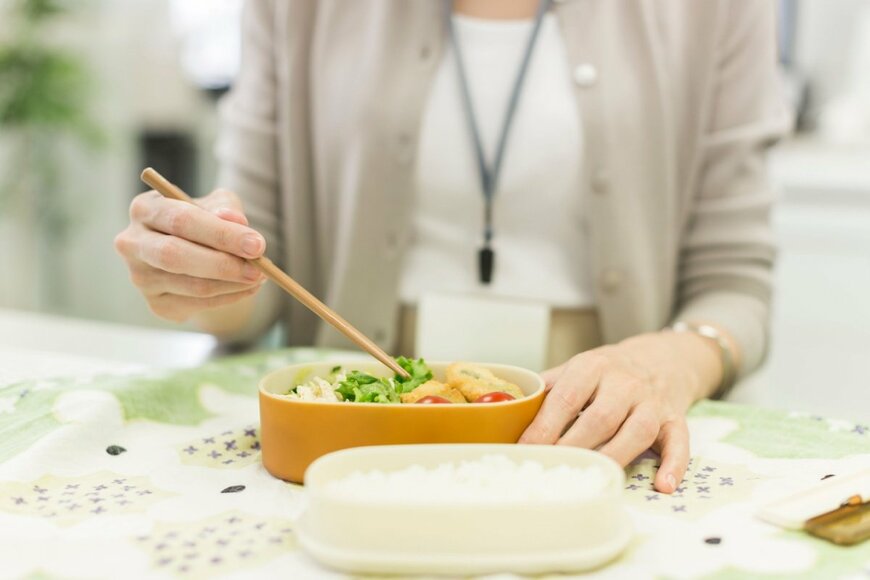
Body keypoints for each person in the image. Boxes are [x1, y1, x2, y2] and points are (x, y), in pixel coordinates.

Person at [114, 0, 790, 493]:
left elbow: (734, 280)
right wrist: (202, 272)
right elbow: (261, 271)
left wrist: (664, 364)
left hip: (600, 443)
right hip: (350, 448)